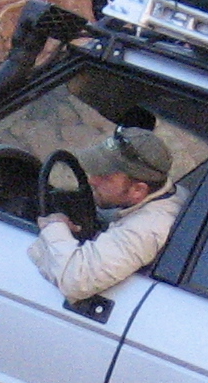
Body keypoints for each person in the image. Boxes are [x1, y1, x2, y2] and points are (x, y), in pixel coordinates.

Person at [28, 123, 181, 302]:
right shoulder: (171, 195)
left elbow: (74, 280)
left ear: (138, 190)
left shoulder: (145, 230)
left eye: (105, 177)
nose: (92, 180)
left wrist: (55, 226)